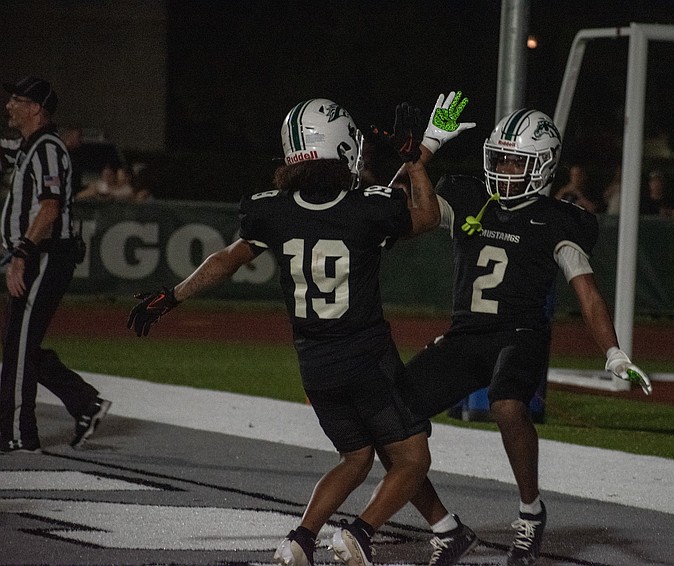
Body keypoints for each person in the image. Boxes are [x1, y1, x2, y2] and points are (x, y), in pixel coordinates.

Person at [127, 94, 471, 566]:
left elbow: (225, 260)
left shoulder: (273, 211)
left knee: (356, 458)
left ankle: (301, 539)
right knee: (412, 459)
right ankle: (359, 534)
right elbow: (424, 216)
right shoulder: (367, 208)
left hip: (314, 362)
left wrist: (173, 295)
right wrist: (417, 157)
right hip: (367, 355)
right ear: (341, 147)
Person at [391, 108, 652, 566]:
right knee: (389, 420)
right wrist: (424, 151)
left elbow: (587, 293)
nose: (505, 170)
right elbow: (392, 212)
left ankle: (531, 512)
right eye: (500, 159)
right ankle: (445, 528)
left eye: (516, 162)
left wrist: (612, 351)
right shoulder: (469, 196)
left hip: (521, 333)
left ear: (544, 165)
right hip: (466, 334)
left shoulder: (560, 219)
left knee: (507, 404)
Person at [0, 76, 111, 454]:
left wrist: (21, 254)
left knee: (17, 346)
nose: (9, 105)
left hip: (45, 255)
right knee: (19, 343)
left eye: (16, 99)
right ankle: (84, 403)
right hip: (39, 254)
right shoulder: (31, 146)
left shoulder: (47, 148)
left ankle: (19, 434)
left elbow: (49, 209)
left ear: (35, 108)